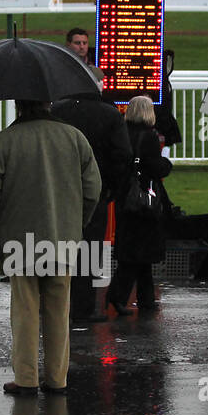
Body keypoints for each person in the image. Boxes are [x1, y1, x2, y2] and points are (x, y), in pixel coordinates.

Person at [0, 100, 101, 396]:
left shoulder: (6, 140)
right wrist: (75, 221)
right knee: (59, 310)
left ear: (18, 107)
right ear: (49, 103)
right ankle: (57, 378)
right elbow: (93, 188)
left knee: (25, 310)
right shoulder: (74, 138)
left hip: (19, 239)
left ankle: (27, 377)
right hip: (62, 237)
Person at [50, 76, 132, 320]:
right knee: (89, 248)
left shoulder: (58, 110)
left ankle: (57, 304)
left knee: (58, 248)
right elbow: (123, 155)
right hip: (96, 191)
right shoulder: (109, 114)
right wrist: (112, 189)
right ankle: (83, 307)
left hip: (60, 189)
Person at [107, 96, 172, 315]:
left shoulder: (123, 132)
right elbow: (155, 167)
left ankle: (145, 299)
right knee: (138, 255)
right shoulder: (150, 137)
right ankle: (117, 296)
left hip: (126, 198)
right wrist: (166, 164)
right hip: (144, 201)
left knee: (136, 252)